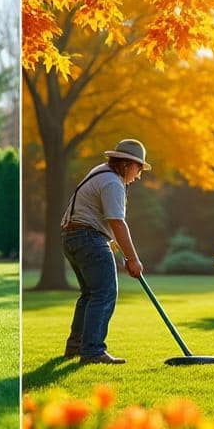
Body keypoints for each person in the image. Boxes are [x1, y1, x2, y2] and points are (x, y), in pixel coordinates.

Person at [59, 139, 149, 365]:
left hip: (71, 237)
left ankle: (76, 346)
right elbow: (117, 223)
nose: (139, 175)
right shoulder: (112, 182)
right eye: (139, 168)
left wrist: (118, 249)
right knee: (104, 293)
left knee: (90, 294)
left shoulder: (100, 172)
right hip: (88, 237)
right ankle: (92, 351)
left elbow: (106, 220)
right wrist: (133, 259)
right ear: (127, 164)